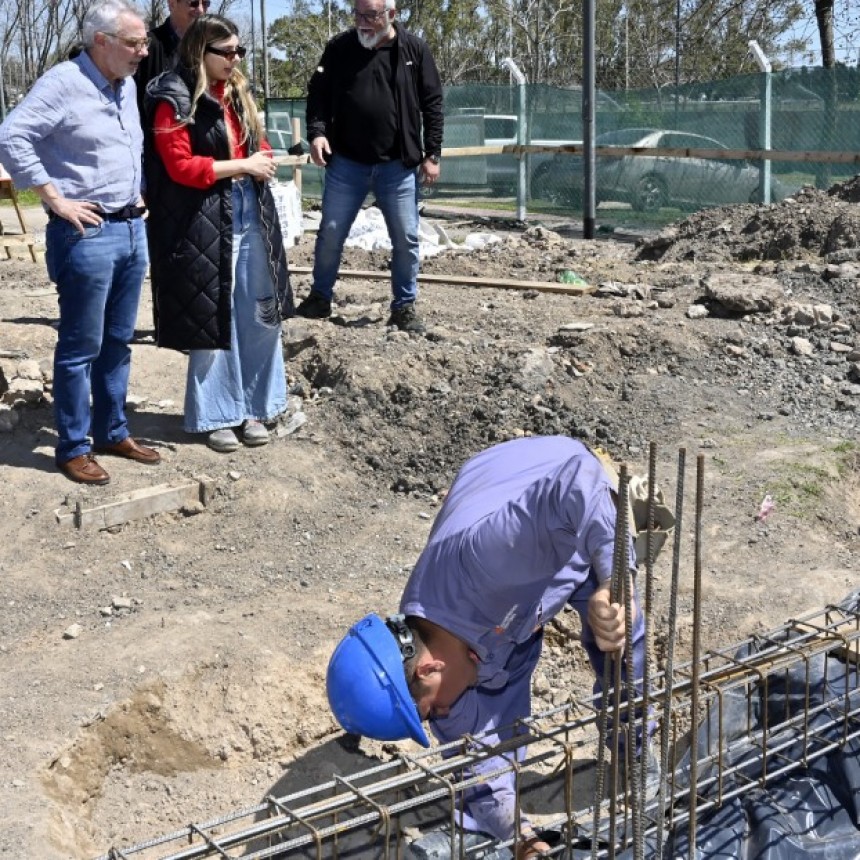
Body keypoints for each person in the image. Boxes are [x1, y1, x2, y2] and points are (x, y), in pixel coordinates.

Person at [327, 436, 651, 858]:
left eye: (429, 713)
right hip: (507, 608)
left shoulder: (487, 558)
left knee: (619, 633)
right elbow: (480, 768)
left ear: (427, 669)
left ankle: (638, 749)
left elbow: (576, 483)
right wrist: (524, 839)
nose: (440, 720)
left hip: (559, 506)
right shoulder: (442, 664)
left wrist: (613, 581)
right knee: (497, 691)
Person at [0, 0, 160, 485]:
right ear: (101, 42)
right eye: (134, 43)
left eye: (145, 42)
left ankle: (112, 429)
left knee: (118, 340)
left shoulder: (126, 84)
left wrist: (139, 195)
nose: (143, 51)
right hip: (84, 233)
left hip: (131, 228)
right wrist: (53, 198)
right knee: (80, 345)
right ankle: (72, 446)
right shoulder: (62, 83)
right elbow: (12, 135)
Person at [143, 14, 293, 453]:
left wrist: (261, 157)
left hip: (252, 211)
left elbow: (257, 142)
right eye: (225, 52)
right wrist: (243, 166)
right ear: (198, 51)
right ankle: (218, 413)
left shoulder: (240, 93)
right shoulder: (172, 97)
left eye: (238, 51)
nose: (234, 59)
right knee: (215, 316)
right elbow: (180, 166)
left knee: (262, 312)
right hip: (205, 217)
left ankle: (259, 406)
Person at [295, 0, 444, 334]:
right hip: (347, 163)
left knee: (406, 237)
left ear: (391, 15)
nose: (362, 22)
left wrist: (432, 153)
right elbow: (317, 94)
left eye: (371, 16)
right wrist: (317, 134)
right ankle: (320, 298)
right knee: (331, 232)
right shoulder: (340, 48)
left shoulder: (413, 49)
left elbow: (432, 102)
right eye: (358, 14)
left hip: (398, 166)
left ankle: (404, 307)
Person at [133, 0, 210, 113]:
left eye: (205, 4)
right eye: (194, 3)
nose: (201, 10)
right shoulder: (148, 46)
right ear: (172, 4)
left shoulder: (208, 49)